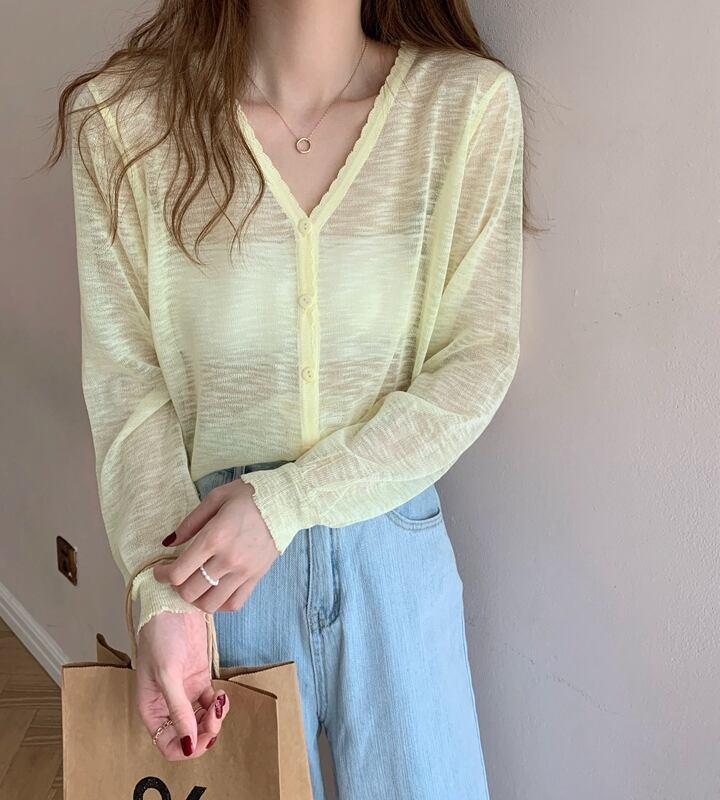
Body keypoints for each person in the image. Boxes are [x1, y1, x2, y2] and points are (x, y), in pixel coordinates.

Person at [52, 1, 529, 797]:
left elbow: (474, 360)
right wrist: (160, 589)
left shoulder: (461, 107)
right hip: (212, 561)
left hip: (391, 545)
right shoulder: (124, 121)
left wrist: (288, 502)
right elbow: (126, 381)